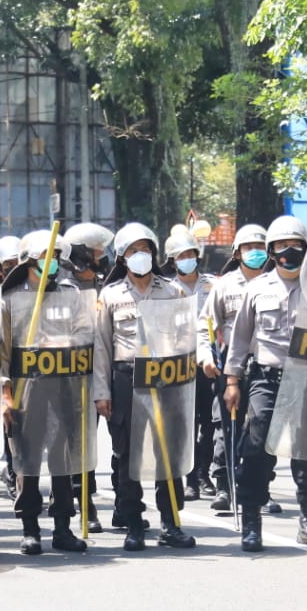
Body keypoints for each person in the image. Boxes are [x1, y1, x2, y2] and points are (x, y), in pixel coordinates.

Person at [223, 216, 307, 552]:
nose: (289, 251)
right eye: (282, 246)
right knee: (257, 450)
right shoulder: (257, 288)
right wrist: (232, 380)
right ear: (271, 251)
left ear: (306, 248)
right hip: (266, 381)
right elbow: (240, 338)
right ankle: (252, 523)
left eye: (296, 245)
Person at [93, 222, 196, 551]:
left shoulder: (173, 291)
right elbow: (101, 348)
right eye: (134, 251)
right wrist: (102, 392)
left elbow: (185, 341)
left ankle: (170, 523)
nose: (142, 256)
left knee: (168, 454)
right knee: (128, 456)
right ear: (123, 257)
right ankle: (134, 524)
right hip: (126, 378)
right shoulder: (109, 296)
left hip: (166, 379)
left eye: (146, 249)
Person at [0, 229, 89, 555]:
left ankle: (63, 527)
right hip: (27, 389)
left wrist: (64, 343)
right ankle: (30, 528)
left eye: (55, 258)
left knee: (63, 459)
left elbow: (84, 335)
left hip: (63, 388)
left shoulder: (71, 295)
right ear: (30, 262)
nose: (50, 264)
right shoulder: (10, 301)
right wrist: (4, 397)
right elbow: (2, 356)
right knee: (27, 459)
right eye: (44, 258)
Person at [198, 224, 272, 514]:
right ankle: (224, 486)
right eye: (247, 247)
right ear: (237, 252)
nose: (254, 252)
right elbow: (204, 328)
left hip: (266, 364)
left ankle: (260, 487)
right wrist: (206, 357)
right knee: (226, 425)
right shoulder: (224, 285)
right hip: (231, 363)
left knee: (262, 427)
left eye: (259, 247)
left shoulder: (276, 283)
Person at [60, 221, 114, 533]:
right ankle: (81, 505)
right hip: (69, 377)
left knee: (96, 442)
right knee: (73, 444)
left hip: (103, 373)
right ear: (82, 255)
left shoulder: (106, 285)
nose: (102, 256)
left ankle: (120, 505)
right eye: (97, 251)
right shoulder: (61, 288)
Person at [163, 227, 217, 502]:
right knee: (186, 425)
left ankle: (204, 474)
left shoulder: (213, 285)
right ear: (173, 260)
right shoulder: (167, 290)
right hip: (180, 365)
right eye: (181, 255)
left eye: (190, 254)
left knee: (208, 423)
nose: (187, 259)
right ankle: (189, 477)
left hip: (207, 363)